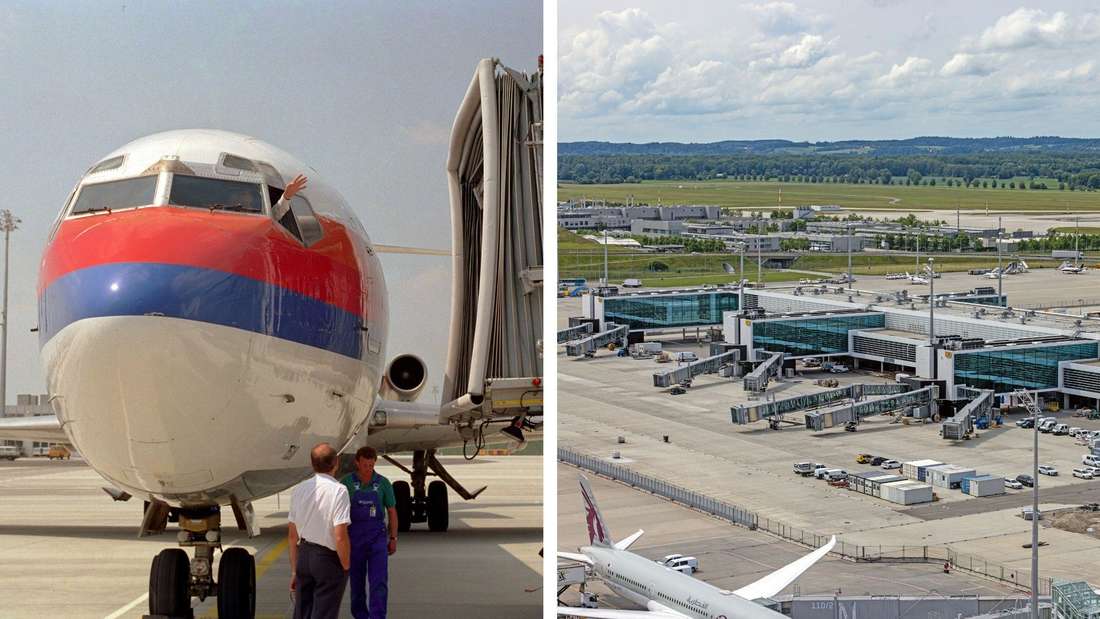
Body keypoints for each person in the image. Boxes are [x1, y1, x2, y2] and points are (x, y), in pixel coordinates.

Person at [288, 443, 351, 619]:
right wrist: (346, 565)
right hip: (327, 559)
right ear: (336, 463)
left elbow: (292, 536)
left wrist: (294, 570)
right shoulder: (339, 491)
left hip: (305, 556)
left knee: (302, 611)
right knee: (324, 612)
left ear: (312, 463)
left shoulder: (299, 490)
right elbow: (340, 535)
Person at [340, 446, 398, 619]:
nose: (368, 469)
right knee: (356, 583)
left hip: (377, 539)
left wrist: (393, 537)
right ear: (357, 462)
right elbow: (339, 515)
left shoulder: (383, 483)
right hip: (354, 539)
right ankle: (360, 615)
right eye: (365, 465)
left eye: (371, 465)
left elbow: (392, 512)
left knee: (379, 582)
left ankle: (378, 616)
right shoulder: (346, 483)